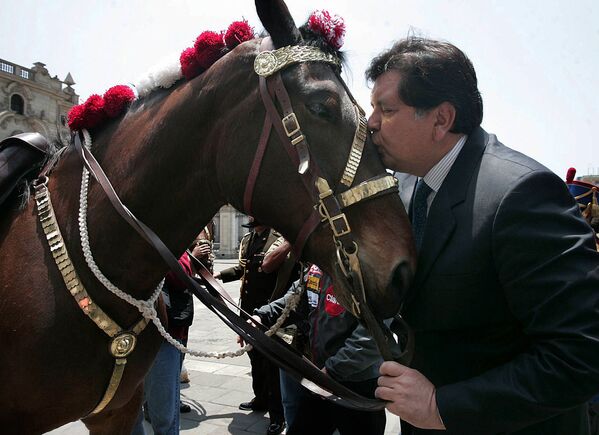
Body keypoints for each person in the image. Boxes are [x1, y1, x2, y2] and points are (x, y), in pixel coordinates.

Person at [366, 36, 599, 434]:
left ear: (441, 119)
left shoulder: (520, 194)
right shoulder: (406, 185)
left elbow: (582, 353)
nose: (371, 122)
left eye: (386, 110)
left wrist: (442, 406)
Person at [253, 264, 399, 435]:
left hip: (355, 386)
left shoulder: (369, 266)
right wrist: (262, 316)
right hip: (321, 378)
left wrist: (333, 371)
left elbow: (372, 338)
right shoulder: (318, 265)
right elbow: (295, 298)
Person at [214, 218, 292, 435]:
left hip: (269, 310)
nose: (250, 216)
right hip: (248, 308)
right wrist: (218, 275)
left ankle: (278, 415)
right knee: (254, 357)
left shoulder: (278, 238)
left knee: (271, 363)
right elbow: (243, 268)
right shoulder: (249, 239)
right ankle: (260, 399)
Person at [132, 232, 211, 435]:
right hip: (154, 333)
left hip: (168, 330)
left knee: (159, 413)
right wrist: (191, 255)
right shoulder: (165, 238)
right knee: (151, 414)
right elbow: (179, 275)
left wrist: (198, 258)